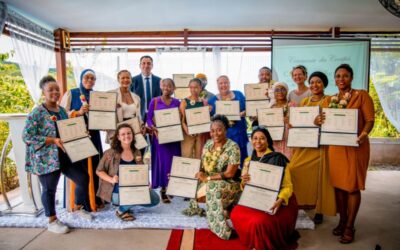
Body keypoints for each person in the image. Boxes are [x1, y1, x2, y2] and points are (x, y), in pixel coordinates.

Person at [23, 76, 92, 234]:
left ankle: (78, 208)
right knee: (49, 189)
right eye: (50, 90)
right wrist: (51, 140)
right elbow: (27, 136)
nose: (55, 92)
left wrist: (81, 134)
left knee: (83, 178)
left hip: (64, 154)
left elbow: (67, 129)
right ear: (44, 92)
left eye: (57, 89)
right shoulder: (37, 113)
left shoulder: (61, 110)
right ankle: (52, 220)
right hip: (46, 158)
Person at [316, 64, 374, 244]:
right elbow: (322, 121)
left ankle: (350, 226)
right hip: (336, 148)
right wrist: (317, 120)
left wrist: (364, 134)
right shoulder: (329, 100)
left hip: (356, 147)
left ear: (351, 77)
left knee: (352, 186)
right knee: (339, 186)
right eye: (338, 76)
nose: (341, 79)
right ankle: (342, 221)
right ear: (334, 79)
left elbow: (370, 120)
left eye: (345, 76)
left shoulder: (362, 96)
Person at [230, 127, 299, 250]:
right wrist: (244, 182)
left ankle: (260, 244)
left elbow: (288, 186)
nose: (258, 141)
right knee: (236, 213)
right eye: (255, 138)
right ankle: (253, 240)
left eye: (262, 138)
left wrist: (280, 200)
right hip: (255, 196)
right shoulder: (248, 161)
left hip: (278, 198)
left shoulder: (278, 159)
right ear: (251, 141)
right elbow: (245, 187)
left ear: (268, 141)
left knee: (259, 221)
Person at [287, 72, 336, 225]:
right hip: (304, 143)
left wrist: (319, 122)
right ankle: (301, 203)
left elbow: (333, 123)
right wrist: (292, 123)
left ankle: (319, 209)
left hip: (320, 145)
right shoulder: (305, 101)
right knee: (293, 169)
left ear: (324, 84)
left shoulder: (329, 100)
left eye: (319, 82)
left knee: (319, 178)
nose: (315, 85)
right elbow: (299, 123)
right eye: (312, 82)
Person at [183, 115, 241, 240]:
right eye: (212, 130)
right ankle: (224, 210)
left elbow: (230, 173)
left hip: (229, 183)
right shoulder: (208, 144)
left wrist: (208, 179)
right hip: (207, 180)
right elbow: (202, 168)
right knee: (190, 183)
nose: (215, 133)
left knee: (212, 187)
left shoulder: (232, 147)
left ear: (225, 130)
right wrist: (180, 176)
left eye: (219, 130)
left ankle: (220, 229)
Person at [96, 124, 160, 221]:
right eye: (123, 134)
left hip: (134, 186)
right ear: (118, 137)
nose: (126, 136)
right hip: (115, 190)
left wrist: (146, 182)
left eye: (129, 133)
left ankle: (129, 203)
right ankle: (121, 210)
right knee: (136, 193)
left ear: (133, 135)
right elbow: (99, 171)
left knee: (155, 199)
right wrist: (111, 179)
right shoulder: (110, 153)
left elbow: (141, 170)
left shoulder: (137, 152)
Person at [60, 69, 103, 210]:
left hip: (94, 135)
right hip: (77, 135)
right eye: (87, 77)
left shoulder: (97, 96)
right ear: (81, 78)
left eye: (92, 78)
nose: (89, 80)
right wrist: (78, 113)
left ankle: (95, 199)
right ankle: (82, 202)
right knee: (81, 168)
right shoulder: (72, 93)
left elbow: (103, 116)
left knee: (96, 166)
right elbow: (61, 114)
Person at [146, 78, 181, 203]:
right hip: (160, 137)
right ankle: (164, 189)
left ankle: (172, 187)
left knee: (174, 163)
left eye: (170, 86)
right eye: (164, 85)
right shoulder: (154, 101)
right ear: (161, 86)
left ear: (174, 88)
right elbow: (149, 118)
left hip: (175, 138)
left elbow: (182, 118)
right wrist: (152, 127)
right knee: (163, 163)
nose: (167, 88)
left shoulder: (178, 102)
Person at [208, 75, 248, 165]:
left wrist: (242, 113)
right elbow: (211, 119)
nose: (223, 85)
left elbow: (248, 108)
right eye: (221, 83)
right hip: (223, 135)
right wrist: (209, 112)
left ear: (229, 84)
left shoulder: (238, 94)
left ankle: (242, 177)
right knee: (225, 161)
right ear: (217, 85)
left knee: (241, 158)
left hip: (239, 132)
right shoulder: (212, 100)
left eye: (225, 83)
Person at [106, 70, 143, 142]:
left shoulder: (136, 97)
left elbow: (138, 116)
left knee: (132, 152)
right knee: (118, 153)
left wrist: (142, 126)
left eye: (128, 78)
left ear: (131, 80)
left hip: (133, 131)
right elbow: (103, 112)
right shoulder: (111, 94)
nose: (125, 80)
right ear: (118, 80)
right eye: (123, 78)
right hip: (116, 131)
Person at [179, 78, 209, 159]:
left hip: (200, 134)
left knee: (199, 157)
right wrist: (187, 130)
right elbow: (182, 120)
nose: (193, 90)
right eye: (191, 87)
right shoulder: (184, 101)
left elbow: (206, 119)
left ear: (200, 88)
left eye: (196, 87)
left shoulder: (204, 102)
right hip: (187, 134)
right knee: (187, 155)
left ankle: (198, 172)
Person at [130, 55, 162, 120]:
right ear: (140, 65)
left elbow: (162, 97)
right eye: (143, 63)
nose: (146, 66)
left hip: (155, 116)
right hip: (138, 115)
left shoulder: (159, 80)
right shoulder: (133, 80)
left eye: (149, 63)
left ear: (152, 66)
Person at [268, 82, 293, 159]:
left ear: (287, 91)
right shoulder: (271, 107)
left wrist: (289, 122)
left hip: (289, 139)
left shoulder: (292, 105)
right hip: (275, 140)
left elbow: (298, 124)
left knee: (289, 163)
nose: (280, 92)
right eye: (277, 90)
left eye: (283, 89)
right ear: (274, 93)